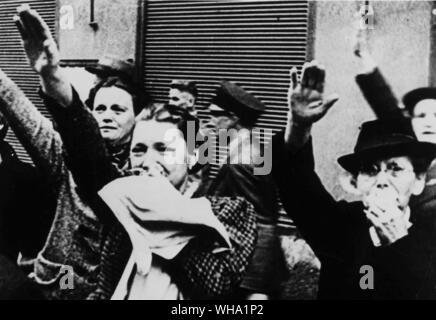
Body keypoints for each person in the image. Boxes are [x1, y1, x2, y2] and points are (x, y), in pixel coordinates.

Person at [2, 5, 141, 299]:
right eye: (100, 108)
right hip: (53, 286)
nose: (107, 115)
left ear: (136, 118)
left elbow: (93, 160)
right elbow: (27, 117)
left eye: (118, 109)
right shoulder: (66, 158)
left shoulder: (141, 170)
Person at [271, 60, 436, 299]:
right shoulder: (341, 225)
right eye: (370, 170)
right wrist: (298, 125)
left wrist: (400, 242)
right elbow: (295, 183)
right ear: (356, 183)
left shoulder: (430, 234)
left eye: (395, 169)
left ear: (418, 181)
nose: (381, 180)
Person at [195, 81, 286, 300]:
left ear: (234, 118)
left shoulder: (240, 161)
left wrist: (254, 275)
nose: (211, 122)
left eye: (215, 115)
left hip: (254, 258)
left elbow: (255, 216)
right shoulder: (253, 149)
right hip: (263, 253)